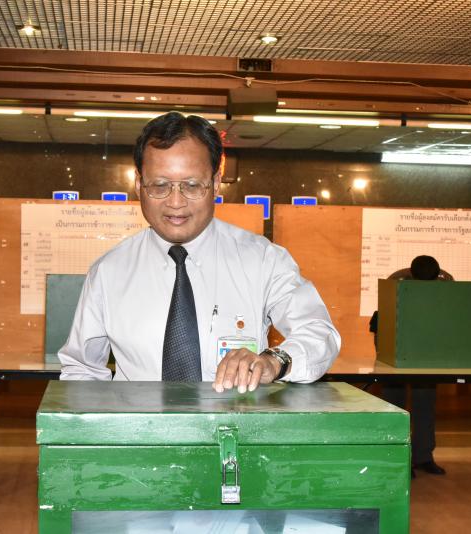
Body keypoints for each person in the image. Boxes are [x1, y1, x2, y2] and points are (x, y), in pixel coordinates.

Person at [58, 112, 341, 392]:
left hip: (234, 421)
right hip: (138, 422)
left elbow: (320, 333)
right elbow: (82, 370)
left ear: (215, 184)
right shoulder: (109, 272)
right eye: (160, 185)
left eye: (192, 185)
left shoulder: (262, 260)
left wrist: (274, 361)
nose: (176, 202)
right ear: (138, 184)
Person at [370, 255, 452, 478]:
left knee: (425, 403)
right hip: (395, 347)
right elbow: (385, 321)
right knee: (394, 405)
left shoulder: (445, 282)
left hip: (427, 351)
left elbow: (449, 317)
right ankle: (396, 459)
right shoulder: (396, 281)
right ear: (412, 275)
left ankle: (423, 457)